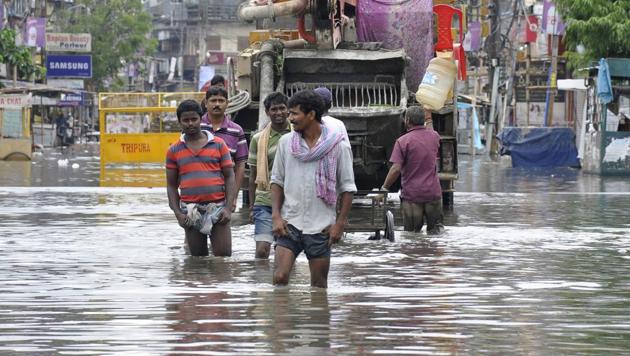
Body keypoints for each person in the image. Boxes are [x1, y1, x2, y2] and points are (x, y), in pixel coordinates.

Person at [270, 89, 357, 288]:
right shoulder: (286, 144)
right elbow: (277, 181)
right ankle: (282, 318)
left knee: (318, 286)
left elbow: (347, 189)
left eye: (294, 113)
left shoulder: (338, 147)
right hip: (289, 223)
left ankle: (315, 319)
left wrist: (339, 224)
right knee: (280, 278)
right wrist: (275, 215)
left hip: (321, 227)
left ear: (311, 115)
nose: (289, 118)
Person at [166, 99, 236, 256]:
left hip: (218, 208)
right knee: (197, 262)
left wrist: (228, 207)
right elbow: (171, 185)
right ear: (180, 122)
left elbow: (230, 177)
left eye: (194, 119)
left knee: (223, 259)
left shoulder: (219, 144)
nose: (190, 123)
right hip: (191, 211)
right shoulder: (173, 150)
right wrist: (178, 213)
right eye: (185, 120)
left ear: (201, 119)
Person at [380, 106, 443, 234]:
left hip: (412, 197)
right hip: (433, 194)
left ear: (407, 120)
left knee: (412, 235)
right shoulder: (434, 136)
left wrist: (384, 188)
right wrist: (429, 116)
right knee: (436, 234)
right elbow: (430, 130)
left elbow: (396, 168)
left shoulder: (402, 142)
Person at [247, 92, 292, 259]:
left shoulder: (298, 135)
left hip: (291, 201)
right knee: (262, 251)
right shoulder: (258, 139)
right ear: (267, 112)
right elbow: (253, 175)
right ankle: (260, 284)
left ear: (288, 111)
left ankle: (284, 283)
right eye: (274, 109)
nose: (278, 113)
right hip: (264, 200)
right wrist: (252, 206)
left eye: (282, 108)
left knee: (286, 251)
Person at [200, 87, 248, 211]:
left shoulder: (237, 130)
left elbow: (240, 165)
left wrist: (233, 197)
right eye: (213, 100)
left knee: (222, 229)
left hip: (224, 194)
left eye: (221, 101)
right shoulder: (196, 127)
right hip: (197, 192)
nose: (217, 104)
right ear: (206, 103)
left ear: (227, 103)